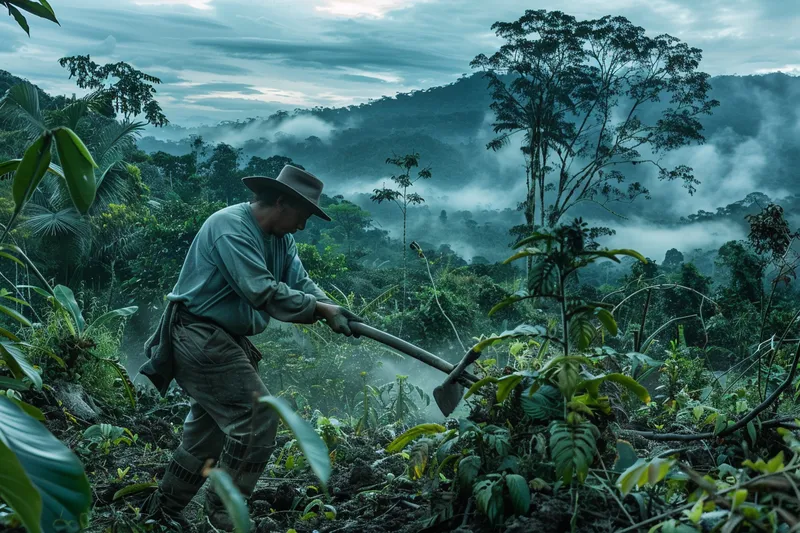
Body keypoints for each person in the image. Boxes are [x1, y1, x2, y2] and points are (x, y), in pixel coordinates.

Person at [138, 165, 361, 531]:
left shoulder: (281, 240)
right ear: (279, 202)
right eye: (301, 217)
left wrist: (332, 309)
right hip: (198, 334)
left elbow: (300, 282)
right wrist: (320, 310)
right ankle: (225, 514)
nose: (302, 227)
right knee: (258, 419)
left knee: (205, 434)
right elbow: (260, 290)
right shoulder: (230, 227)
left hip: (223, 340)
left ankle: (160, 512)